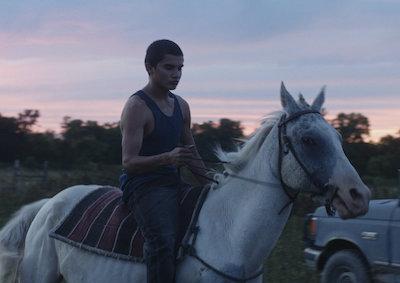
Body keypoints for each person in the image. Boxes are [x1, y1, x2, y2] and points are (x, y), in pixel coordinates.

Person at [119, 39, 208, 283]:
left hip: (173, 182)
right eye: (169, 67)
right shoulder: (137, 106)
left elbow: (191, 154)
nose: (176, 74)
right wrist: (167, 158)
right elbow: (129, 162)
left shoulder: (182, 106)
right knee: (162, 242)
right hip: (143, 185)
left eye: (180, 68)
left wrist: (212, 182)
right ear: (150, 67)